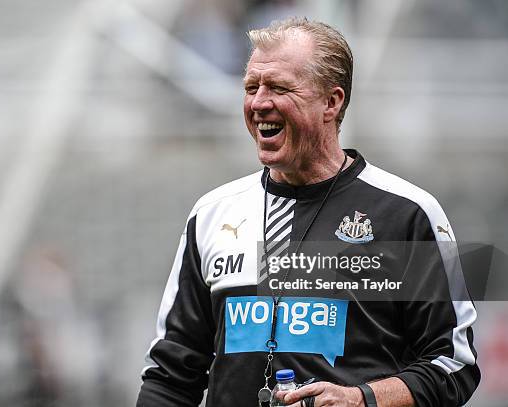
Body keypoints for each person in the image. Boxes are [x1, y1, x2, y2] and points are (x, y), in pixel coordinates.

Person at [137, 17, 480, 407]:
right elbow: (170, 375)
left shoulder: (407, 213)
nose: (259, 102)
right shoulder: (212, 213)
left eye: (280, 88)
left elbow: (453, 365)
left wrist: (361, 398)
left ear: (331, 102)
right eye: (251, 87)